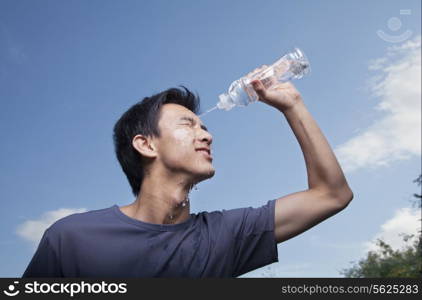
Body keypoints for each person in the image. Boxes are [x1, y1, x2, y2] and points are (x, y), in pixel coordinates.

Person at [22, 66, 353, 277]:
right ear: (146, 145)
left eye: (205, 126)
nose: (207, 135)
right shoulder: (72, 238)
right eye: (188, 124)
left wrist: (292, 105)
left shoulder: (225, 236)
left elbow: (331, 195)